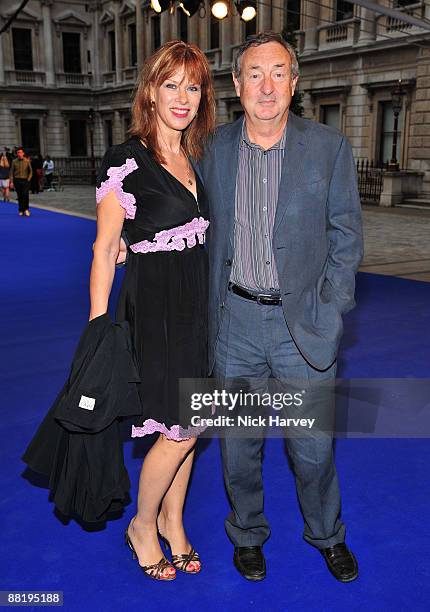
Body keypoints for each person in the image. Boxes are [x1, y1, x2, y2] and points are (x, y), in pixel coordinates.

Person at [199, 32, 363, 583]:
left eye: (278, 73)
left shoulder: (328, 147)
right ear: (236, 85)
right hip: (235, 324)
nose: (266, 85)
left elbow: (346, 237)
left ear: (295, 83)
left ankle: (326, 534)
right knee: (239, 446)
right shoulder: (212, 151)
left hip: (303, 328)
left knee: (313, 449)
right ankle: (247, 533)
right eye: (253, 73)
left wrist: (333, 307)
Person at [91, 41, 215, 581]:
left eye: (193, 86)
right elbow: (103, 248)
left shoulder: (194, 158)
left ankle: (173, 519)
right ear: (151, 91)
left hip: (197, 307)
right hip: (158, 310)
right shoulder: (126, 159)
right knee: (178, 426)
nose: (183, 97)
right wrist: (99, 328)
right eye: (172, 85)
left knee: (195, 419)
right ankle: (142, 524)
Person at [10, 147, 32, 216]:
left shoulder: (27, 161)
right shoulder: (14, 161)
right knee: (20, 196)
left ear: (23, 153)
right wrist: (11, 182)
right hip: (17, 180)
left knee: (25, 195)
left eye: (20, 152)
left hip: (25, 180)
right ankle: (21, 210)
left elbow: (31, 171)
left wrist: (28, 179)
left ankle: (26, 209)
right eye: (18, 153)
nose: (19, 154)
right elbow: (11, 172)